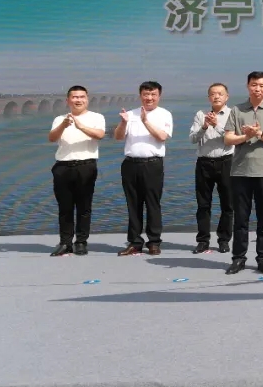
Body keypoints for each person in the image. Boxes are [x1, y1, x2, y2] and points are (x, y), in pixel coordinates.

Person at [223, 71, 263, 274]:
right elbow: (228, 139)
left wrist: (259, 133)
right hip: (240, 171)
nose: (257, 88)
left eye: (261, 85)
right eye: (253, 84)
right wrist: (246, 136)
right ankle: (238, 258)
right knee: (241, 218)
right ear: (247, 86)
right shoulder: (237, 110)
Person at [114, 81, 173, 256]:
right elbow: (118, 137)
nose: (149, 98)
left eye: (153, 94)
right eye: (146, 94)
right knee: (133, 204)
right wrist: (123, 123)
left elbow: (162, 136)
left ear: (159, 96)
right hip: (130, 164)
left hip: (152, 164)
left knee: (153, 203)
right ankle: (135, 242)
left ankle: (154, 242)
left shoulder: (164, 114)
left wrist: (145, 121)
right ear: (140, 95)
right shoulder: (130, 114)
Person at [47, 85, 106, 256]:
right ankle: (65, 242)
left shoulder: (96, 117)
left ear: (87, 99)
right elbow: (52, 138)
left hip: (85, 166)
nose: (78, 100)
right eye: (74, 97)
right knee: (65, 207)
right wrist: (63, 125)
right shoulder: (60, 119)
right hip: (63, 166)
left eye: (81, 97)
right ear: (68, 100)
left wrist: (80, 126)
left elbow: (100, 135)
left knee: (84, 206)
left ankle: (81, 241)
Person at [189, 83, 234, 254]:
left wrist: (217, 125)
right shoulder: (201, 114)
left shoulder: (233, 114)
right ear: (209, 97)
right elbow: (192, 139)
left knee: (227, 204)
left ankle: (224, 240)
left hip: (226, 161)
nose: (216, 97)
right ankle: (203, 240)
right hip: (204, 163)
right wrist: (204, 126)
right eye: (213, 94)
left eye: (220, 94)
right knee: (203, 204)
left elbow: (233, 138)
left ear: (226, 97)